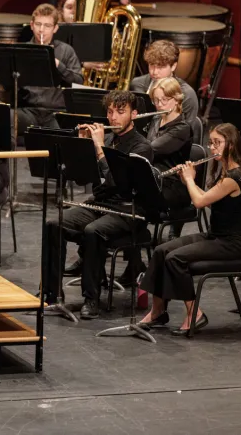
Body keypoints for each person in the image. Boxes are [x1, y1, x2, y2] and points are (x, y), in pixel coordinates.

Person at [42, 91, 154, 318]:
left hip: (128, 210)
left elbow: (118, 185)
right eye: (110, 112)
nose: (113, 118)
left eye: (120, 112)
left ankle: (91, 299)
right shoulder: (108, 140)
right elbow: (82, 179)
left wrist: (99, 148)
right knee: (54, 223)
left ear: (134, 114)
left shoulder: (142, 148)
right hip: (101, 204)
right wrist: (83, 147)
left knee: (93, 231)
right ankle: (51, 294)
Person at [139, 124, 241, 336]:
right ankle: (157, 311)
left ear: (231, 145)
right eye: (211, 143)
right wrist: (186, 181)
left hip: (231, 243)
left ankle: (194, 313)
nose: (212, 148)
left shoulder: (235, 177)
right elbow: (208, 200)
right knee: (161, 251)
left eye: (217, 143)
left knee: (175, 259)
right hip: (215, 236)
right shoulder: (225, 172)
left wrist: (190, 179)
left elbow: (199, 202)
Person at [16, 4, 83, 134]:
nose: (41, 30)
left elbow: (78, 82)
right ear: (31, 25)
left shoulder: (66, 51)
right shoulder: (21, 50)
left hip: (56, 112)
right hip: (28, 110)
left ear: (55, 28)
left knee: (64, 133)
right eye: (38, 24)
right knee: (6, 118)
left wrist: (58, 65)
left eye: (47, 26)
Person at [144, 77, 193, 242]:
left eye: (164, 100)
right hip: (153, 177)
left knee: (137, 197)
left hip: (172, 183)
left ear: (176, 99)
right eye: (156, 100)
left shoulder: (182, 128)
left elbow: (150, 149)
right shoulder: (156, 119)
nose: (159, 104)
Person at [131, 40, 200, 122]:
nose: (155, 72)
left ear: (173, 66)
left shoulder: (186, 94)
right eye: (152, 65)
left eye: (160, 66)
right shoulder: (137, 84)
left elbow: (187, 127)